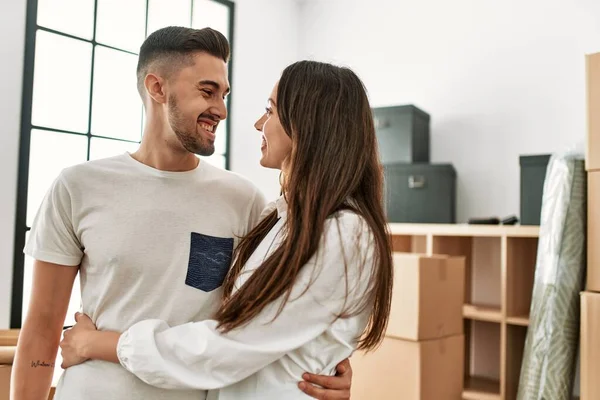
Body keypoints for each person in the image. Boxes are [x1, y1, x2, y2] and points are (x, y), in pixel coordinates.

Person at [11, 27, 352, 400]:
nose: (221, 110)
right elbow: (43, 327)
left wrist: (327, 362)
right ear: (157, 88)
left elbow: (275, 318)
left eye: (224, 95)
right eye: (207, 92)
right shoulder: (78, 187)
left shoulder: (246, 202)